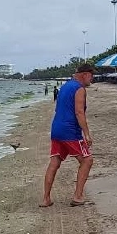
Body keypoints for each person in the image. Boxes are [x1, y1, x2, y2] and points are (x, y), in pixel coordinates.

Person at [41, 63, 95, 207]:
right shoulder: (79, 89)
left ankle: (46, 199)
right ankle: (78, 196)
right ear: (84, 75)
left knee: (55, 162)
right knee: (87, 160)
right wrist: (87, 134)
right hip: (70, 131)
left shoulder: (65, 86)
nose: (92, 79)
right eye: (91, 76)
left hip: (56, 129)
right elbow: (79, 112)